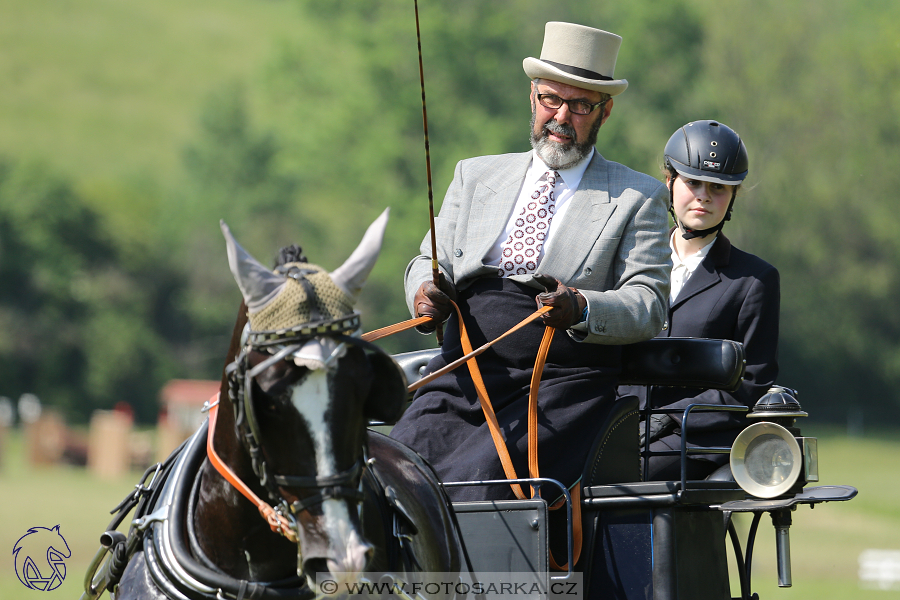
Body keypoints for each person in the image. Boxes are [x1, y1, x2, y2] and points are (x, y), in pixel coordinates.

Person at [390, 22, 670, 502]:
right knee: (394, 474)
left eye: (579, 105)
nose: (561, 116)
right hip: (464, 373)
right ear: (532, 96)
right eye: (549, 100)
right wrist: (424, 292)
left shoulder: (637, 196)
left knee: (476, 490)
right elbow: (426, 258)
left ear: (604, 112)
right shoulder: (475, 175)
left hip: (559, 388)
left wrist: (582, 308)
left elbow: (648, 303)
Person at [621, 120, 780, 481]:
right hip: (617, 428)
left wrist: (670, 417)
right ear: (669, 182)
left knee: (621, 474)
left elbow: (751, 383)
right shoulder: (627, 259)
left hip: (692, 440)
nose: (704, 196)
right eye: (693, 182)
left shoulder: (754, 280)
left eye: (718, 188)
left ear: (734, 195)